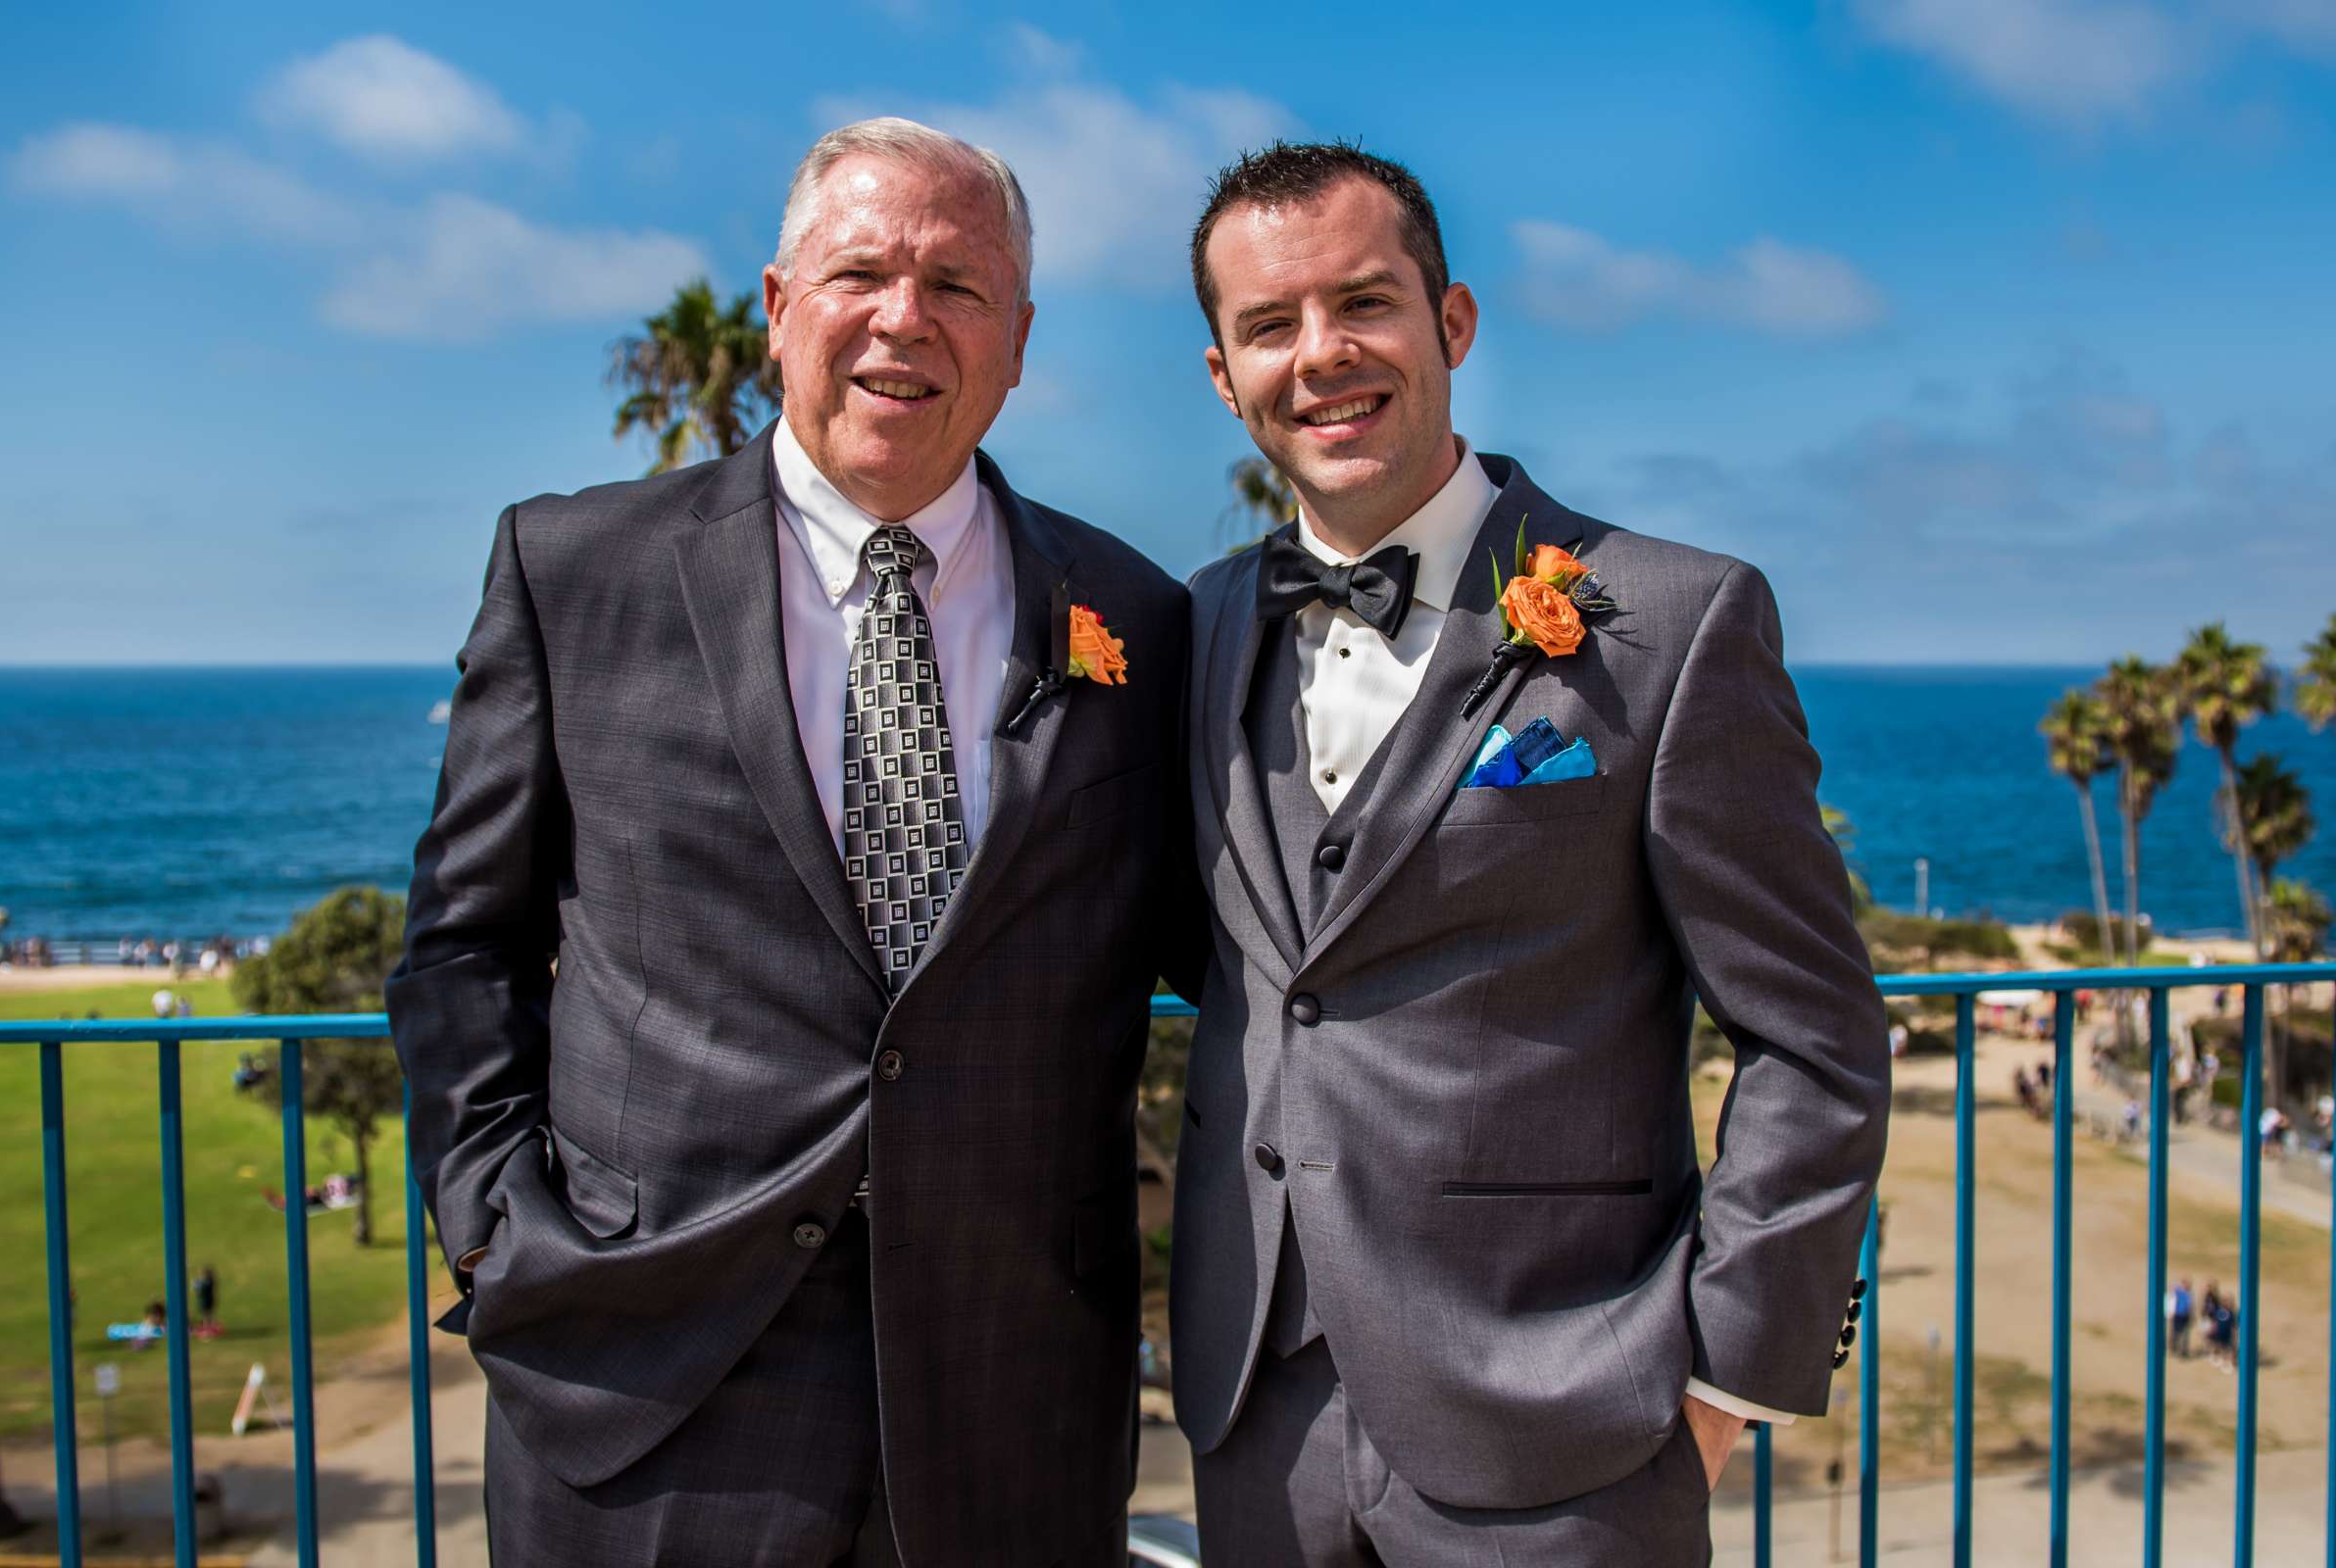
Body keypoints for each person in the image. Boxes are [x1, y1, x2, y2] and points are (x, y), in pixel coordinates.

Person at [387, 118, 1200, 1568]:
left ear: (1016, 343)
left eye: (958, 286)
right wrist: (496, 1229)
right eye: (862, 273)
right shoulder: (576, 570)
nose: (906, 319)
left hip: (1008, 1411)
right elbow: (464, 942)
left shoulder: (1135, 616)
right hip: (646, 1387)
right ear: (776, 310)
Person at [1168, 140, 1890, 1567]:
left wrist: (1723, 1376)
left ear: (1452, 323)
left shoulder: (1676, 621)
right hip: (1258, 1409)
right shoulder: (1187, 630)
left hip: (1573, 1424)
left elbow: (1815, 1035)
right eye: (1270, 325)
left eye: (1363, 304)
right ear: (1221, 374)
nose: (1321, 356)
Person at [2169, 1276, 2194, 1359]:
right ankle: (2173, 1348)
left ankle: (2183, 1351)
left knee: (2185, 1335)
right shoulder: (2177, 1291)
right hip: (2177, 1315)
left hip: (2185, 1316)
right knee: (2175, 1333)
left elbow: (2190, 1306)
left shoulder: (2189, 1294)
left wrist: (2191, 1316)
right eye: (2186, 1284)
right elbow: (2172, 1300)